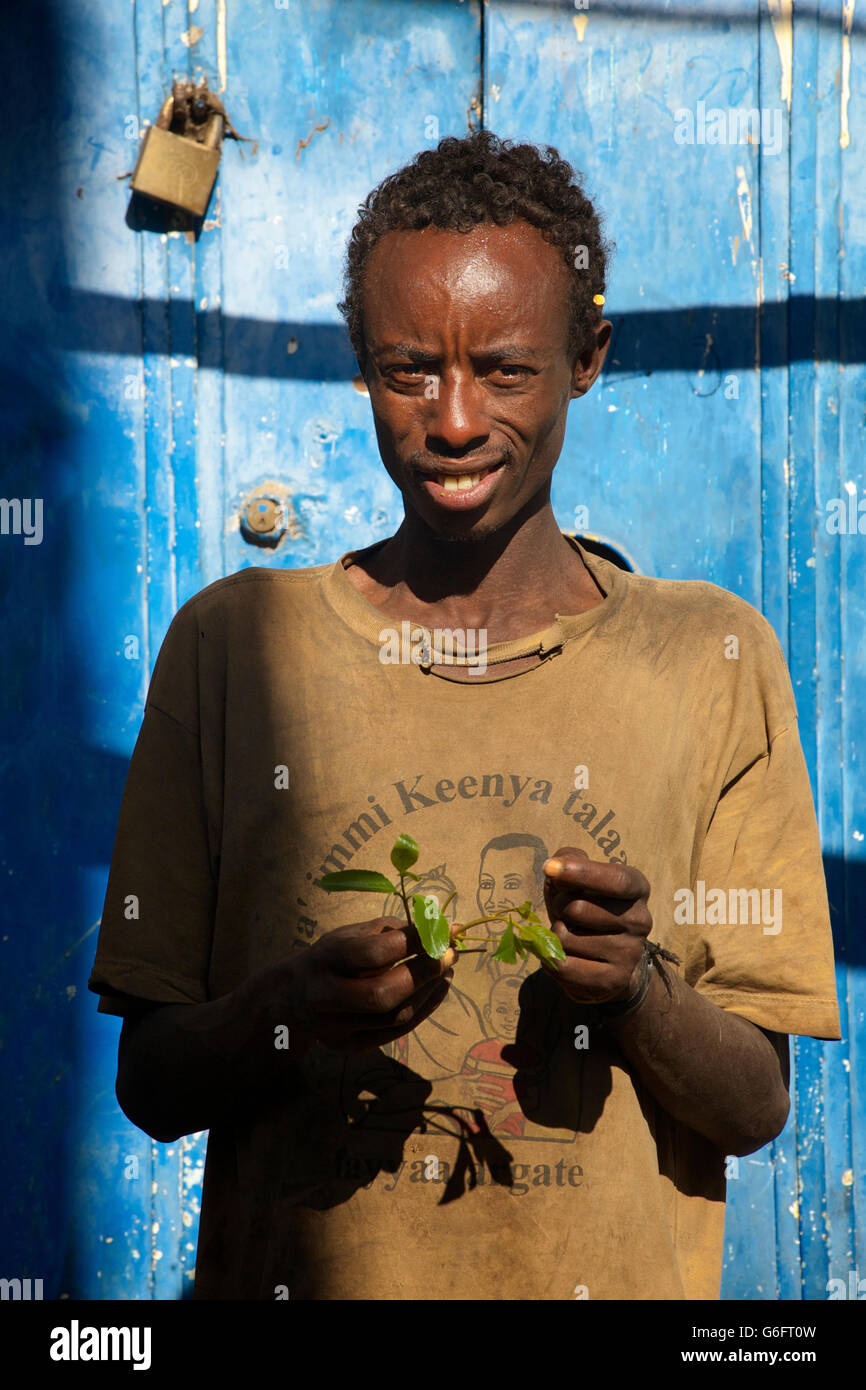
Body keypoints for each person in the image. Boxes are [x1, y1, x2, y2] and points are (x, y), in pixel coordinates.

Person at [89, 131, 841, 1301]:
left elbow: (751, 1105)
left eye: (502, 369)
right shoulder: (230, 649)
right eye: (405, 370)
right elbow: (150, 1083)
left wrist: (632, 986)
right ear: (359, 363)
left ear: (585, 357)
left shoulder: (708, 653)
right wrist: (286, 1009)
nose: (449, 421)